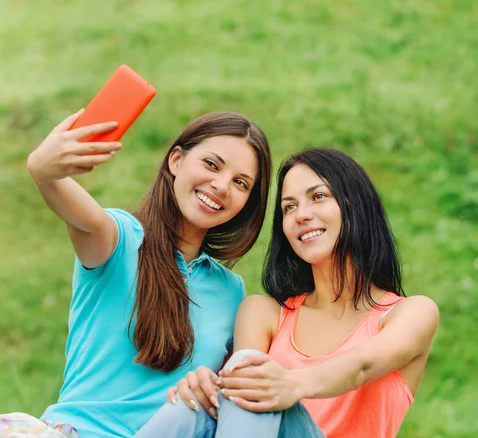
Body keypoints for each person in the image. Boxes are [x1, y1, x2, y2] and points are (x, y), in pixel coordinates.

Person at [0, 110, 272, 438]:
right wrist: (43, 170)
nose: (221, 185)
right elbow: (85, 217)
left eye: (241, 183)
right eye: (212, 164)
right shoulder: (119, 240)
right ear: (176, 161)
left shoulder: (231, 292)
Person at [136, 147, 439, 438]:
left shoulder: (410, 314)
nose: (301, 215)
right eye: (289, 207)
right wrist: (207, 385)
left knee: (255, 383)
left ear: (355, 205)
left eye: (318, 197)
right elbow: (240, 399)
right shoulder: (264, 313)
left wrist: (289, 383)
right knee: (207, 398)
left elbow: (362, 365)